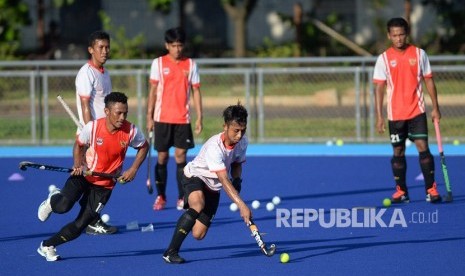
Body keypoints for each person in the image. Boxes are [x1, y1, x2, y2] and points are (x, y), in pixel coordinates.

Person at [37, 92, 149, 261]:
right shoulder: (93, 128)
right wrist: (77, 164)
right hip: (83, 176)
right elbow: (79, 145)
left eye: (125, 113)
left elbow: (144, 146)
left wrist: (133, 169)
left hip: (105, 185)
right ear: (107, 111)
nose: (122, 117)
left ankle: (47, 245)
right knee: (63, 207)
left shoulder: (131, 131)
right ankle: (53, 200)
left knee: (81, 224)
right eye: (118, 113)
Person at [162, 102, 250, 264]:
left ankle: (189, 217)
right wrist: (241, 204)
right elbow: (223, 179)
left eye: (242, 130)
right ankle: (170, 252)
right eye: (235, 130)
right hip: (195, 176)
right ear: (225, 126)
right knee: (198, 204)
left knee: (198, 234)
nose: (239, 135)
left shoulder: (242, 142)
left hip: (213, 187)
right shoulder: (214, 148)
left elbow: (237, 163)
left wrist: (237, 179)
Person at [373, 17, 442, 203]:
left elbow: (429, 80)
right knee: (398, 152)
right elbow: (379, 88)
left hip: (417, 111)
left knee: (423, 147)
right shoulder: (383, 59)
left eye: (401, 34)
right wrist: (379, 116)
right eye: (394, 35)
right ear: (389, 36)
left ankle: (431, 189)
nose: (398, 39)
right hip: (395, 114)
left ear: (407, 34)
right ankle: (401, 191)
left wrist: (436, 107)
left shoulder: (420, 54)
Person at [146, 27, 203, 211]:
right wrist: (149, 116)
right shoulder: (158, 64)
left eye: (180, 45)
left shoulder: (191, 64)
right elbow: (153, 92)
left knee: (181, 157)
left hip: (182, 119)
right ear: (167, 45)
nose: (177, 49)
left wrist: (199, 117)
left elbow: (196, 91)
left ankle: (182, 197)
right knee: (162, 157)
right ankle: (161, 196)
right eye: (173, 45)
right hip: (162, 118)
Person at [75, 30, 116, 234]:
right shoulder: (86, 73)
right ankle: (60, 200)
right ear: (91, 49)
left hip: (104, 135)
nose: (105, 51)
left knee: (99, 180)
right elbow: (85, 106)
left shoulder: (104, 73)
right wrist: (91, 135)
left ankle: (89, 218)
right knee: (94, 180)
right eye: (100, 47)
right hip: (91, 135)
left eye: (107, 47)